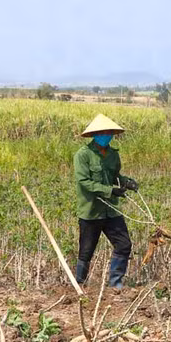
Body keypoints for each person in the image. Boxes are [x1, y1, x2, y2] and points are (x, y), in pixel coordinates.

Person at [73, 113, 139, 288]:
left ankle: (115, 284)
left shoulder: (113, 155)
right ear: (95, 134)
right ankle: (79, 285)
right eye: (102, 132)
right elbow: (84, 182)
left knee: (124, 244)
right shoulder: (83, 155)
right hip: (91, 211)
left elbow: (115, 176)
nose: (106, 135)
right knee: (86, 251)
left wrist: (126, 182)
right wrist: (111, 190)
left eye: (109, 132)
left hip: (111, 210)